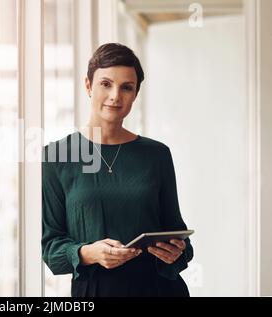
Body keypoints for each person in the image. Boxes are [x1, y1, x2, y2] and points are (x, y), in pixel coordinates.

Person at [42, 43, 194, 297]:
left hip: (159, 289)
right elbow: (50, 248)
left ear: (135, 94)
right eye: (106, 84)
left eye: (127, 87)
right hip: (96, 290)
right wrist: (90, 253)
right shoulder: (57, 156)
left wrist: (178, 250)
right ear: (88, 85)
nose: (115, 96)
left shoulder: (157, 155)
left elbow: (178, 234)